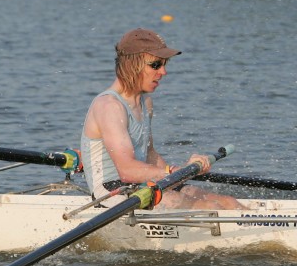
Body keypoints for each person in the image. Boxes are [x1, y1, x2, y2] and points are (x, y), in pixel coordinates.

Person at [80, 27, 241, 209]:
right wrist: (172, 172)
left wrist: (179, 176)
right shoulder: (109, 106)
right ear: (133, 64)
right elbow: (127, 171)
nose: (163, 72)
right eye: (156, 65)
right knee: (210, 208)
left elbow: (149, 155)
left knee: (228, 202)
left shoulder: (145, 102)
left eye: (165, 64)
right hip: (113, 194)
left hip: (140, 186)